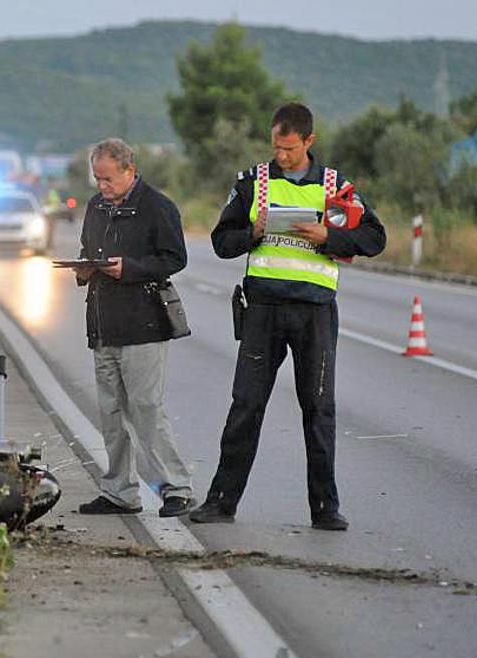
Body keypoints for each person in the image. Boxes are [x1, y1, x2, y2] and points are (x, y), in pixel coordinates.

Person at [189, 103, 386, 531]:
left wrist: (329, 236)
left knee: (319, 409)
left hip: (314, 313)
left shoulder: (335, 186)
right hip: (263, 311)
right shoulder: (253, 183)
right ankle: (221, 502)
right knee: (246, 405)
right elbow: (222, 242)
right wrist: (253, 232)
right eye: (276, 147)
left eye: (290, 149)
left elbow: (374, 237)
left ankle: (325, 509)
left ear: (309, 141)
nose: (281, 156)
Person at [73, 138, 195, 518]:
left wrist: (130, 269)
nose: (102, 187)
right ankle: (119, 491)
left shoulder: (157, 207)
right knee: (110, 412)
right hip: (103, 321)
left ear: (129, 170)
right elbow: (87, 248)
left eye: (108, 179)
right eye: (97, 178)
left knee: (145, 407)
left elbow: (175, 258)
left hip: (143, 321)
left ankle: (177, 488)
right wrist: (83, 268)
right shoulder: (95, 207)